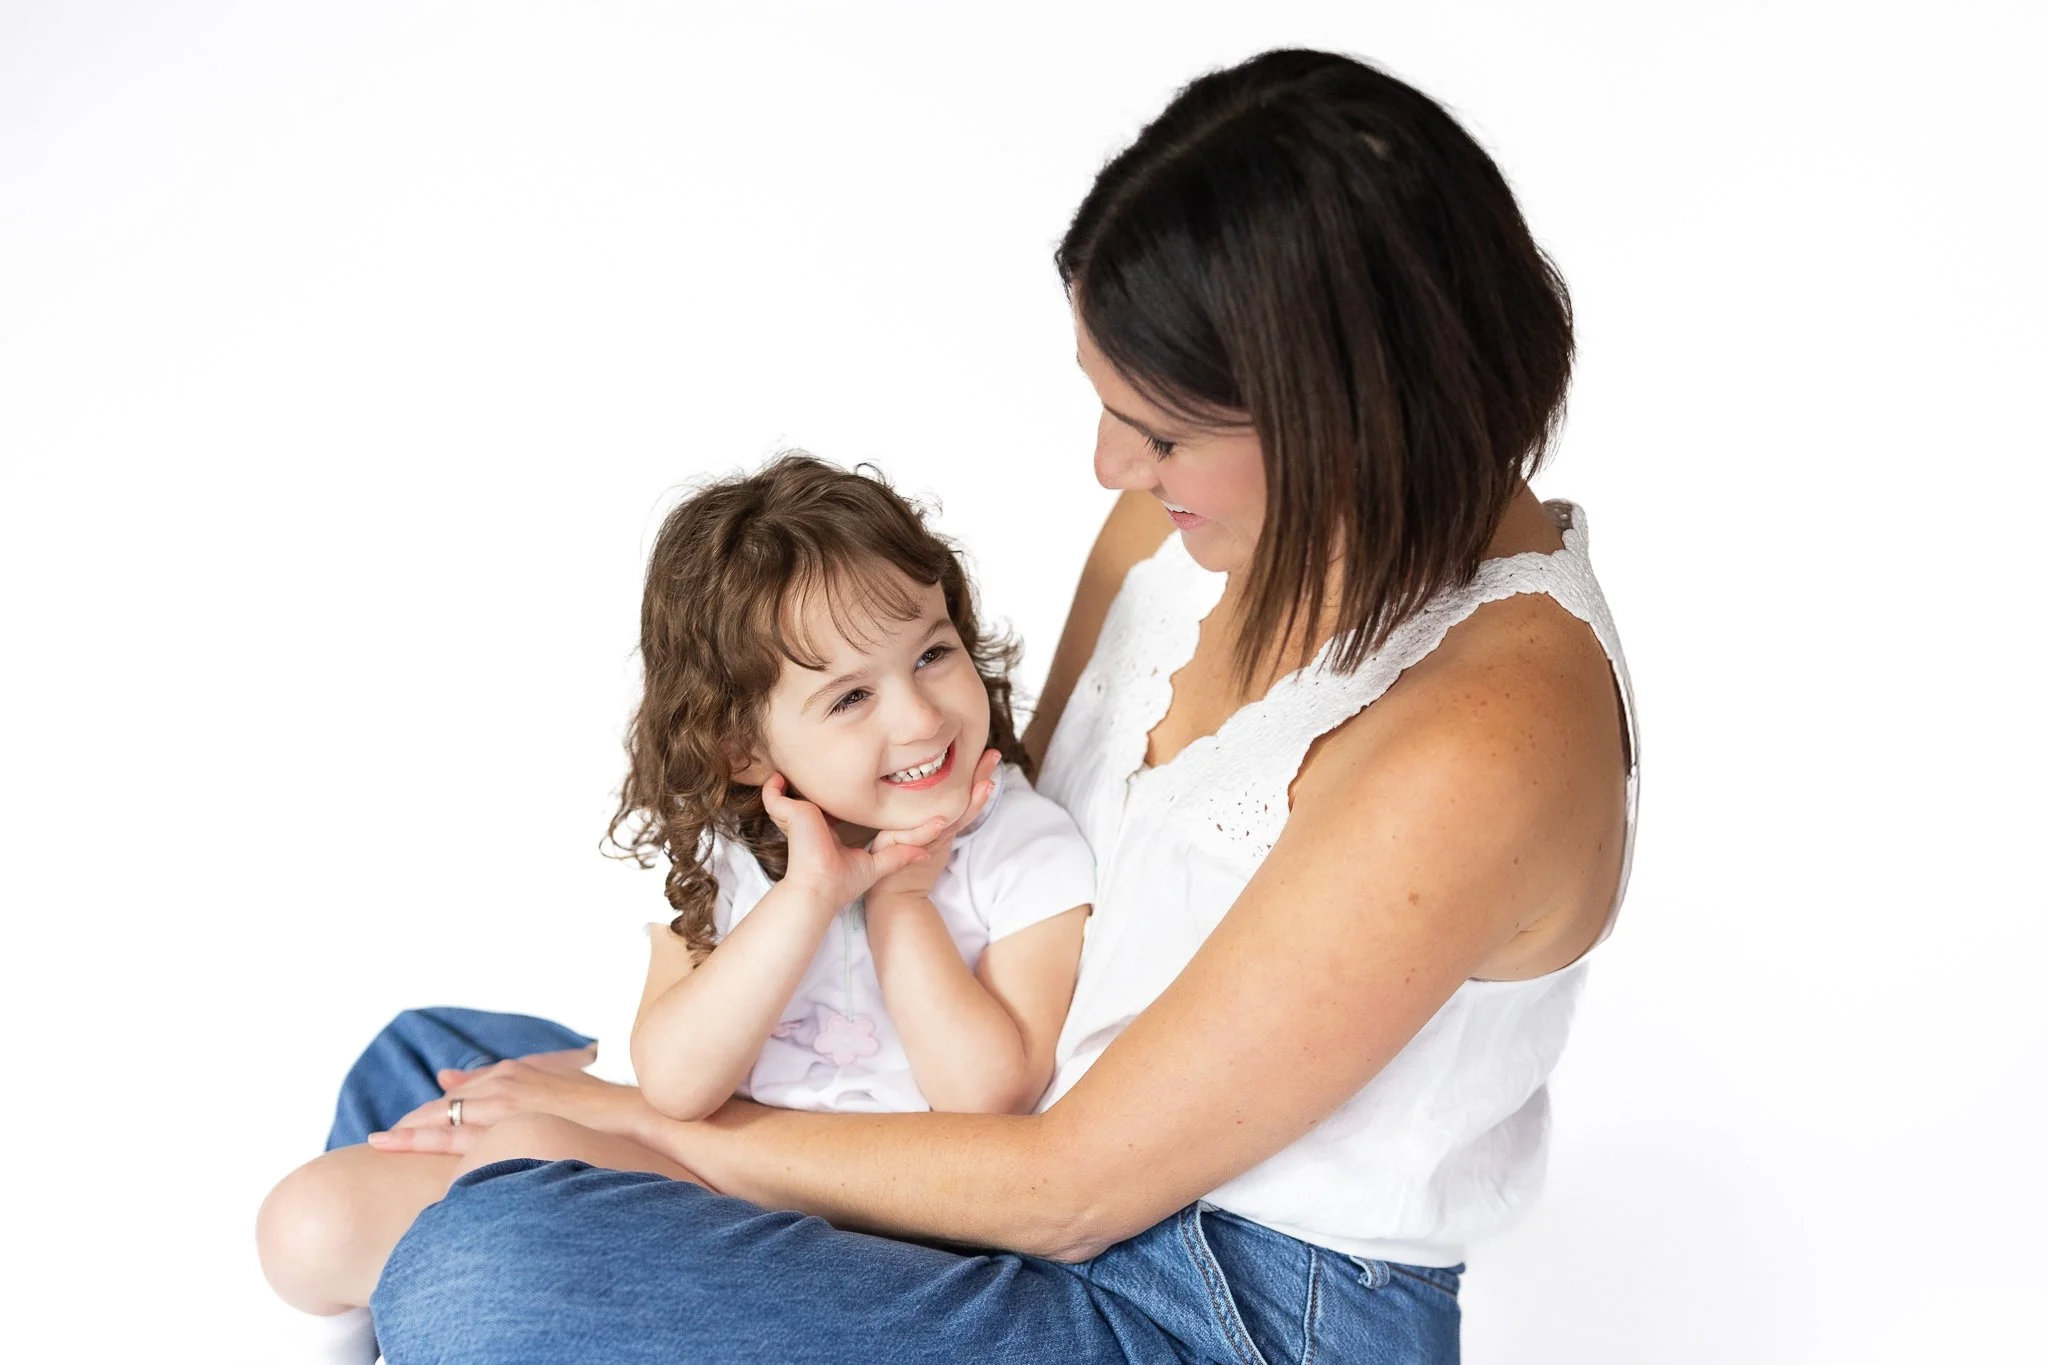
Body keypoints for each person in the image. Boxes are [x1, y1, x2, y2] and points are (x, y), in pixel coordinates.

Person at [313, 47, 1640, 1364]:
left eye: (1163, 432)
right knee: (427, 1072)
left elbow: (1074, 1186)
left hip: (1195, 1304)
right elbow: (979, 819)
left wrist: (664, 1135)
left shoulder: (1490, 732)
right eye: (1108, 407)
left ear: (1342, 416)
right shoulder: (1176, 531)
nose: (1114, 465)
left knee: (488, 1267)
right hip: (994, 1139)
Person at [256, 457, 1095, 1360]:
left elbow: (986, 1100)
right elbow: (678, 1081)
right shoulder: (741, 862)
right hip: (720, 1184)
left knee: (528, 1148)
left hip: (895, 1251)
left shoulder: (1021, 847)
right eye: (851, 696)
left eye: (933, 652)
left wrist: (901, 901)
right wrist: (811, 893)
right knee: (305, 1222)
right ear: (742, 747)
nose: (922, 716)